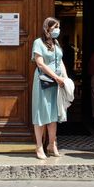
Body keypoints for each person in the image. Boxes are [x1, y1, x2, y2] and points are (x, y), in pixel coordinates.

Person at [31, 17, 66, 160]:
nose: (57, 30)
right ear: (47, 28)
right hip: (43, 81)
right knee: (41, 113)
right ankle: (39, 146)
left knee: (53, 114)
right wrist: (55, 77)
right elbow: (40, 63)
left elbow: (61, 61)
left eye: (58, 27)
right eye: (55, 27)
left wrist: (65, 78)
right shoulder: (38, 43)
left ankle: (52, 144)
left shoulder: (56, 42)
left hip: (56, 83)